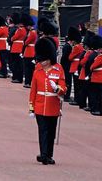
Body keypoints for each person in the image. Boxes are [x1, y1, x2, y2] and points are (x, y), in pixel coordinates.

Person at [29, 36, 66, 165]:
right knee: (42, 130)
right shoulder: (37, 71)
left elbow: (64, 88)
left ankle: (49, 154)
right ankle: (44, 154)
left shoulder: (58, 69)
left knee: (51, 132)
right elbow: (33, 90)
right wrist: (31, 107)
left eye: (43, 60)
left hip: (52, 105)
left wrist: (57, 89)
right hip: (40, 105)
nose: (41, 62)